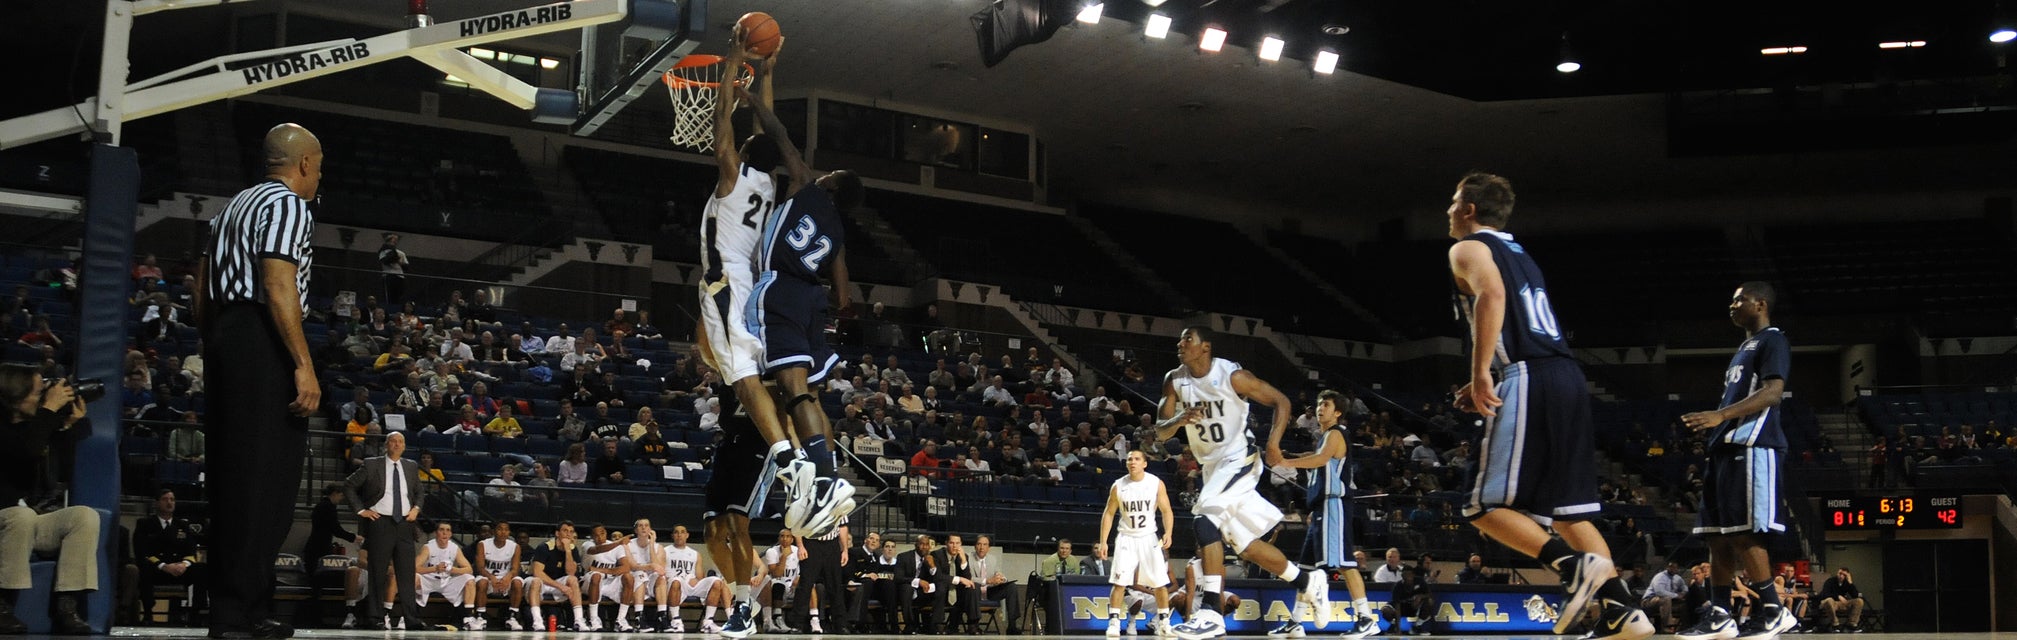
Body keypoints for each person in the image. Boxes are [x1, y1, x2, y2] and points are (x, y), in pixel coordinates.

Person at [1441, 173, 1650, 640]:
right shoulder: (1521, 254)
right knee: (1569, 512)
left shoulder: (1468, 248)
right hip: (1566, 377)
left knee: (1481, 505)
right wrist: (1484, 372)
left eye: (1454, 202)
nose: (1449, 210)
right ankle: (1624, 612)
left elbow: (1492, 297)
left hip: (1530, 376)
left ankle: (1573, 568)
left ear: (1469, 209)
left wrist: (1482, 373)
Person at [691, 30, 840, 618]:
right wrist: (768, 73)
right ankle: (801, 454)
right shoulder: (771, 189)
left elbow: (720, 126)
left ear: (743, 153)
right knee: (754, 375)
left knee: (742, 378)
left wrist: (734, 63)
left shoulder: (732, 175)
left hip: (728, 281)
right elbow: (765, 125)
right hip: (751, 289)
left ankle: (787, 458)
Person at [198, 122, 323, 640]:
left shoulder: (231, 207)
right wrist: (302, 362)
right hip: (263, 337)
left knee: (230, 478)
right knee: (266, 482)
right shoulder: (289, 205)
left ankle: (241, 607)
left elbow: (201, 288)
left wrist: (216, 345)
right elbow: (277, 282)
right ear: (304, 164)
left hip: (225, 335)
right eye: (319, 167)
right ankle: (239, 612)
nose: (318, 176)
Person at [734, 79, 865, 539]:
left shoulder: (807, 185)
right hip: (813, 300)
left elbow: (780, 136)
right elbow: (844, 296)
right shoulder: (839, 234)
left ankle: (824, 480)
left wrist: (753, 99)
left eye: (831, 174)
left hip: (783, 289)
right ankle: (829, 474)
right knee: (808, 394)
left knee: (794, 394)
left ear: (831, 184)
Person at [1156, 326, 1331, 640]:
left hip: (1239, 458)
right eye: (1180, 338)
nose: (1180, 343)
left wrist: (1274, 443)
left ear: (1205, 347)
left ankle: (1211, 612)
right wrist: (1179, 420)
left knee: (1204, 520)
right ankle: (1308, 582)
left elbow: (1281, 401)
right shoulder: (1175, 380)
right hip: (1212, 468)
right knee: (1246, 546)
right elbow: (1160, 430)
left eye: (1188, 338)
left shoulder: (1232, 377)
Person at [1677, 282, 1797, 640]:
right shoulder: (1744, 348)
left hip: (1752, 445)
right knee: (1716, 537)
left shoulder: (1773, 340)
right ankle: (1719, 615)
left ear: (1760, 304)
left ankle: (1774, 612)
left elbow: (1773, 393)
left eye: (1739, 299)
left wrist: (1720, 415)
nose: (1732, 305)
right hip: (1725, 449)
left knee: (1745, 534)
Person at [1266, 390, 1382, 638]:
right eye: (1319, 404)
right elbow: (1314, 456)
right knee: (1306, 568)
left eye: (1326, 405)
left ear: (1338, 412)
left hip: (1334, 505)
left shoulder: (1336, 434)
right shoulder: (1325, 437)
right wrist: (1289, 455)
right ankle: (1296, 622)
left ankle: (1366, 618)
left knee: (1344, 563)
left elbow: (1321, 459)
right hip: (1321, 507)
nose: (1320, 408)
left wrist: (1285, 463)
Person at [0, 367, 97, 634]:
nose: (44, 398)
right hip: (9, 518)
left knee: (83, 516)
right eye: (38, 393)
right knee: (21, 516)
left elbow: (55, 473)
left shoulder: (34, 427)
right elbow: (25, 450)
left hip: (22, 522)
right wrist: (49, 411)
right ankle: (3, 605)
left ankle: (67, 606)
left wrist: (66, 427)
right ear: (15, 396)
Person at [342, 431, 422, 631]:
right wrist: (361, 510)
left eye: (401, 441)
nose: (397, 444)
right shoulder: (372, 464)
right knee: (377, 572)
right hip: (380, 522)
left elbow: (420, 492)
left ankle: (411, 619)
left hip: (405, 524)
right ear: (386, 445)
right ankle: (375, 617)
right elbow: (349, 485)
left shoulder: (411, 466)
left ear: (404, 446)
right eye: (393, 441)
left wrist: (416, 508)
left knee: (407, 573)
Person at [1097, 450, 1176, 638]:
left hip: (1149, 537)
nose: (1132, 462)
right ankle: (1114, 623)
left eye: (1137, 459)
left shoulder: (1155, 483)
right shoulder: (1118, 485)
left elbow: (1166, 510)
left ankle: (1164, 623)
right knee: (1119, 582)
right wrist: (1103, 541)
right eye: (1130, 459)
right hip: (1126, 537)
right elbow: (1109, 513)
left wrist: (1168, 532)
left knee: (1160, 582)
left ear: (1145, 463)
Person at [135, 489, 208, 624]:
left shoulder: (182, 525)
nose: (169, 503)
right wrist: (164, 566)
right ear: (157, 503)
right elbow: (141, 552)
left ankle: (197, 612)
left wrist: (184, 564)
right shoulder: (145, 524)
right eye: (165, 499)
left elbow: (191, 550)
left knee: (201, 569)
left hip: (179, 569)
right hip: (157, 570)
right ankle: (148, 613)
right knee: (143, 568)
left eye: (172, 499)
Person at [413, 522, 480, 630]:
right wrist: (435, 568)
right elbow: (415, 568)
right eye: (442, 530)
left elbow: (469, 569)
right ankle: (410, 616)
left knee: (470, 579)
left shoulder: (454, 548)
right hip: (428, 580)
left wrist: (453, 569)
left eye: (448, 530)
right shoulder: (428, 547)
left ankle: (468, 618)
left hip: (446, 581)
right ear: (436, 533)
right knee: (414, 578)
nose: (445, 533)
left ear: (450, 534)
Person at [664, 525, 728, 634]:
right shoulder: (665, 551)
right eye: (676, 532)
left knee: (716, 581)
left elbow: (700, 577)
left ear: (687, 535)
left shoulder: (695, 554)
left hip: (690, 583)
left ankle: (708, 622)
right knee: (676, 581)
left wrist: (696, 582)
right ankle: (676, 621)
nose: (679, 535)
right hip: (673, 585)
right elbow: (661, 572)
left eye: (682, 532)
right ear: (672, 536)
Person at [473, 521, 526, 631]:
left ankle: (512, 617)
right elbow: (480, 568)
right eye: (500, 529)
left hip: (506, 580)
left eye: (506, 530)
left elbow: (515, 569)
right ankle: (480, 617)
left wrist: (507, 578)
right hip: (488, 579)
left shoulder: (515, 546)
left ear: (509, 532)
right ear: (493, 531)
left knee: (517, 582)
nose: (503, 532)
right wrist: (491, 578)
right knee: (482, 582)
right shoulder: (483, 544)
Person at [895, 535, 943, 634]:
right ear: (916, 545)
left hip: (923, 592)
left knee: (941, 588)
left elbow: (938, 578)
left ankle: (934, 625)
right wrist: (918, 581)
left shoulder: (933, 558)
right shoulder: (903, 557)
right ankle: (910, 626)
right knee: (906, 589)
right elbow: (898, 577)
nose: (924, 547)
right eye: (922, 544)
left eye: (927, 544)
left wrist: (932, 566)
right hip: (907, 591)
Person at [1644, 562, 1689, 632]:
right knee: (1666, 599)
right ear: (1667, 568)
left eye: (1675, 567)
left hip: (1666, 601)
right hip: (1649, 600)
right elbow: (1660, 592)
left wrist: (1683, 593)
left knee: (1686, 600)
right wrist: (1676, 595)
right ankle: (1667, 626)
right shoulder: (1660, 577)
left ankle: (1685, 626)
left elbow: (1684, 587)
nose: (1673, 569)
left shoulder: (1677, 578)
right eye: (1671, 567)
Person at [1813, 568, 1862, 632]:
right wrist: (1838, 596)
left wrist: (1850, 583)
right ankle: (1835, 624)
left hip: (1840, 604)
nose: (1841, 576)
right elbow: (1825, 593)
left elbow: (1855, 595)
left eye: (1844, 575)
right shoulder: (1830, 581)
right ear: (1837, 573)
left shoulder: (1846, 583)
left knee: (1859, 601)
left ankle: (1852, 624)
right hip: (1828, 602)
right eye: (1840, 573)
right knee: (1829, 600)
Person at [378, 234, 407, 304]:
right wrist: (393, 257)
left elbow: (406, 267)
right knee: (389, 296)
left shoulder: (401, 253)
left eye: (396, 240)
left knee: (399, 295)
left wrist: (399, 262)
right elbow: (385, 261)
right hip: (389, 275)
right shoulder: (383, 252)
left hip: (400, 276)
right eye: (393, 240)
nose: (394, 242)